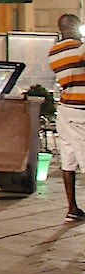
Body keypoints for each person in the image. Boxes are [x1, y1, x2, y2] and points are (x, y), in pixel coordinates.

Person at [49, 13, 85, 221]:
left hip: (65, 109)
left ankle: (72, 207)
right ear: (71, 26)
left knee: (68, 160)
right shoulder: (78, 48)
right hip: (79, 110)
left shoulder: (54, 51)